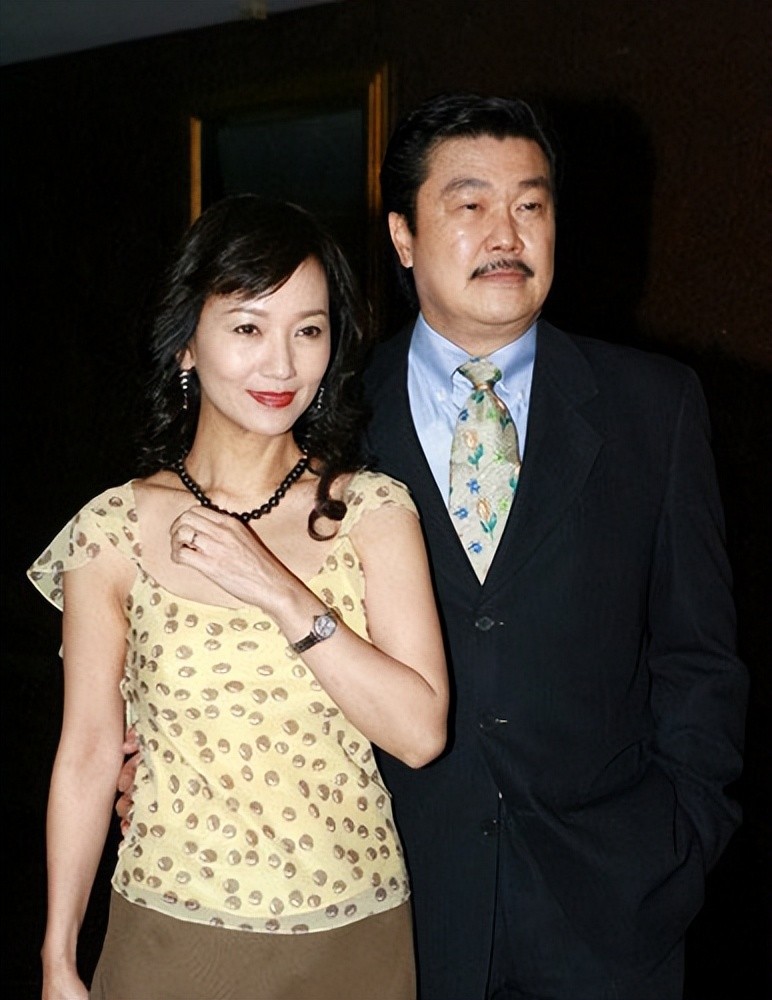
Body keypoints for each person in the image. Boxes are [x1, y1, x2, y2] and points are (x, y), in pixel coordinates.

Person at [118, 94, 749, 1000]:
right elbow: (226, 622)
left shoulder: (657, 407)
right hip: (388, 909)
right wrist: (163, 756)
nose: (507, 233)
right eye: (471, 204)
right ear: (403, 238)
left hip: (612, 913)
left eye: (531, 205)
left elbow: (700, 659)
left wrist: (683, 838)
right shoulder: (327, 417)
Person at [28, 193, 448, 1000]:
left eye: (309, 330)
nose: (282, 365)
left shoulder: (371, 510)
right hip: (169, 934)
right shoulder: (111, 530)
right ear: (187, 342)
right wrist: (57, 957)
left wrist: (278, 590)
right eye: (249, 328)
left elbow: (421, 733)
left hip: (350, 941)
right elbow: (86, 752)